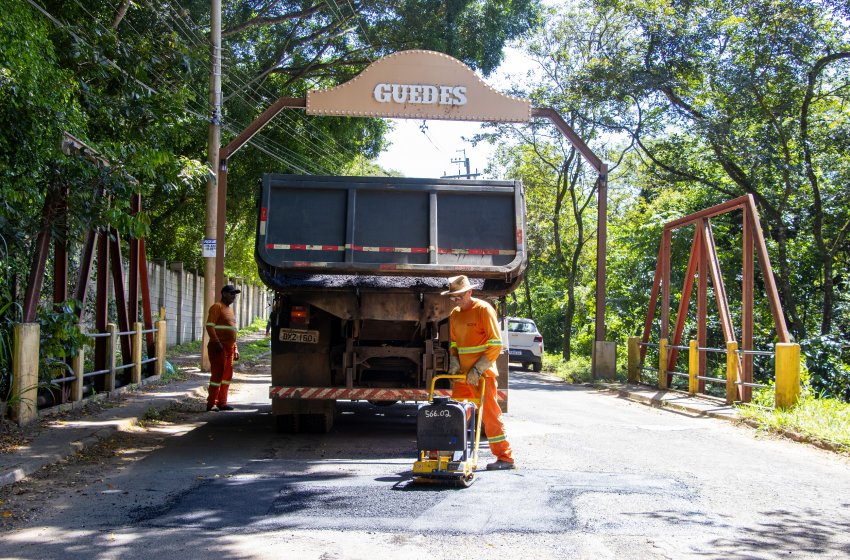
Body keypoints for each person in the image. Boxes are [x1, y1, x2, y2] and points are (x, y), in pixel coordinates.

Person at [442, 275, 516, 470]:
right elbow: (455, 343)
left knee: (490, 416)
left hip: (482, 376)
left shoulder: (484, 310)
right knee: (455, 414)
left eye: (459, 296)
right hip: (463, 377)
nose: (456, 300)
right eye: (453, 297)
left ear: (469, 292)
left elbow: (495, 344)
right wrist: (455, 360)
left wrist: (477, 369)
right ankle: (445, 453)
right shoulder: (455, 314)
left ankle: (505, 458)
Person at [205, 284, 241, 412]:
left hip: (229, 348)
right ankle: (211, 403)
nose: (234, 296)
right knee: (217, 376)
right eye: (232, 293)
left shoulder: (229, 309)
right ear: (224, 293)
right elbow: (209, 325)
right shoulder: (217, 307)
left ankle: (222, 402)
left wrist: (235, 347)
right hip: (219, 347)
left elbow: (232, 330)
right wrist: (217, 342)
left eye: (235, 294)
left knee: (227, 376)